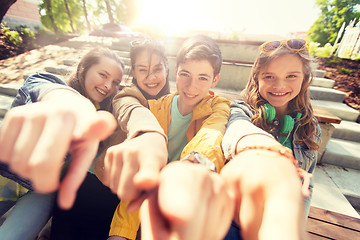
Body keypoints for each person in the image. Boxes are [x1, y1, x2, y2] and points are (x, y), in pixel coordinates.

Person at [105, 35, 233, 240]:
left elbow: (213, 132)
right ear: (175, 71)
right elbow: (143, 175)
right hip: (146, 197)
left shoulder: (218, 107)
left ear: (215, 79)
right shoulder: (156, 107)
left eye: (202, 78)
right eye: (185, 74)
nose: (191, 87)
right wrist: (121, 233)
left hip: (188, 194)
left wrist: (193, 163)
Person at [49, 40, 171, 240]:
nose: (151, 77)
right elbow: (131, 111)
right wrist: (149, 133)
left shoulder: (169, 104)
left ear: (167, 68)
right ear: (133, 71)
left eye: (157, 69)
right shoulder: (126, 95)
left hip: (120, 196)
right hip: (91, 185)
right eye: (142, 70)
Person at [0, 47, 123, 240]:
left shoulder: (103, 117)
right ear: (83, 68)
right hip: (6, 172)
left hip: (40, 192)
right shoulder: (46, 82)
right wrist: (74, 107)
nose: (108, 85)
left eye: (115, 82)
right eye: (103, 75)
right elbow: (56, 95)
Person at [221, 38, 321, 239]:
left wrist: (296, 221)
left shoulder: (311, 127)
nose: (280, 85)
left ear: (305, 78)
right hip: (233, 222)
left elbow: (307, 185)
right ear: (256, 77)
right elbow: (237, 128)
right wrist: (268, 151)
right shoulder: (241, 110)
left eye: (291, 76)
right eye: (269, 76)